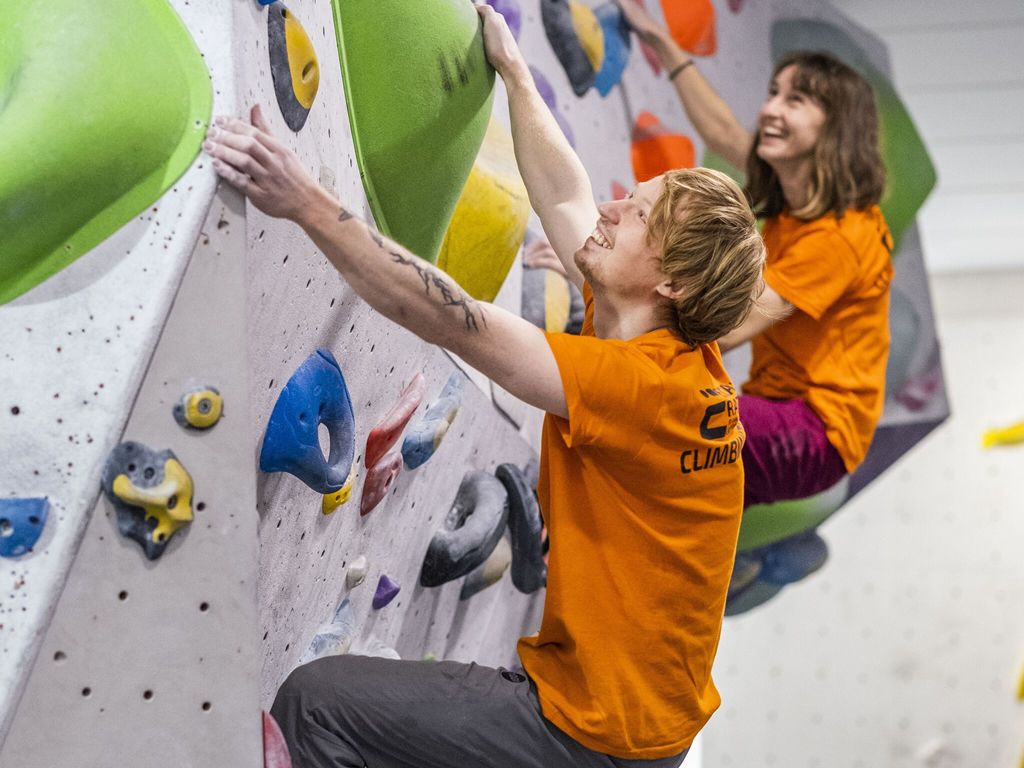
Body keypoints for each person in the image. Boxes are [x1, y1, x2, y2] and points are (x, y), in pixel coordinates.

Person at [205, 6, 764, 767]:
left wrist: (305, 200)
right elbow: (565, 195)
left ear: (669, 279)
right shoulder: (660, 344)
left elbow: (454, 321)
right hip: (639, 731)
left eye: (635, 215)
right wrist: (514, 74)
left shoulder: (641, 387)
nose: (609, 208)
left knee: (319, 703)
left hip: (590, 738)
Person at [617, 0, 893, 508]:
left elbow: (727, 327)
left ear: (835, 128)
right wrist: (660, 40)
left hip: (817, 434)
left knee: (659, 412)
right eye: (773, 94)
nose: (770, 110)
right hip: (779, 410)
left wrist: (605, 292)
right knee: (658, 457)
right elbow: (723, 131)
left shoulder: (841, 236)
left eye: (796, 101)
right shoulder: (796, 197)